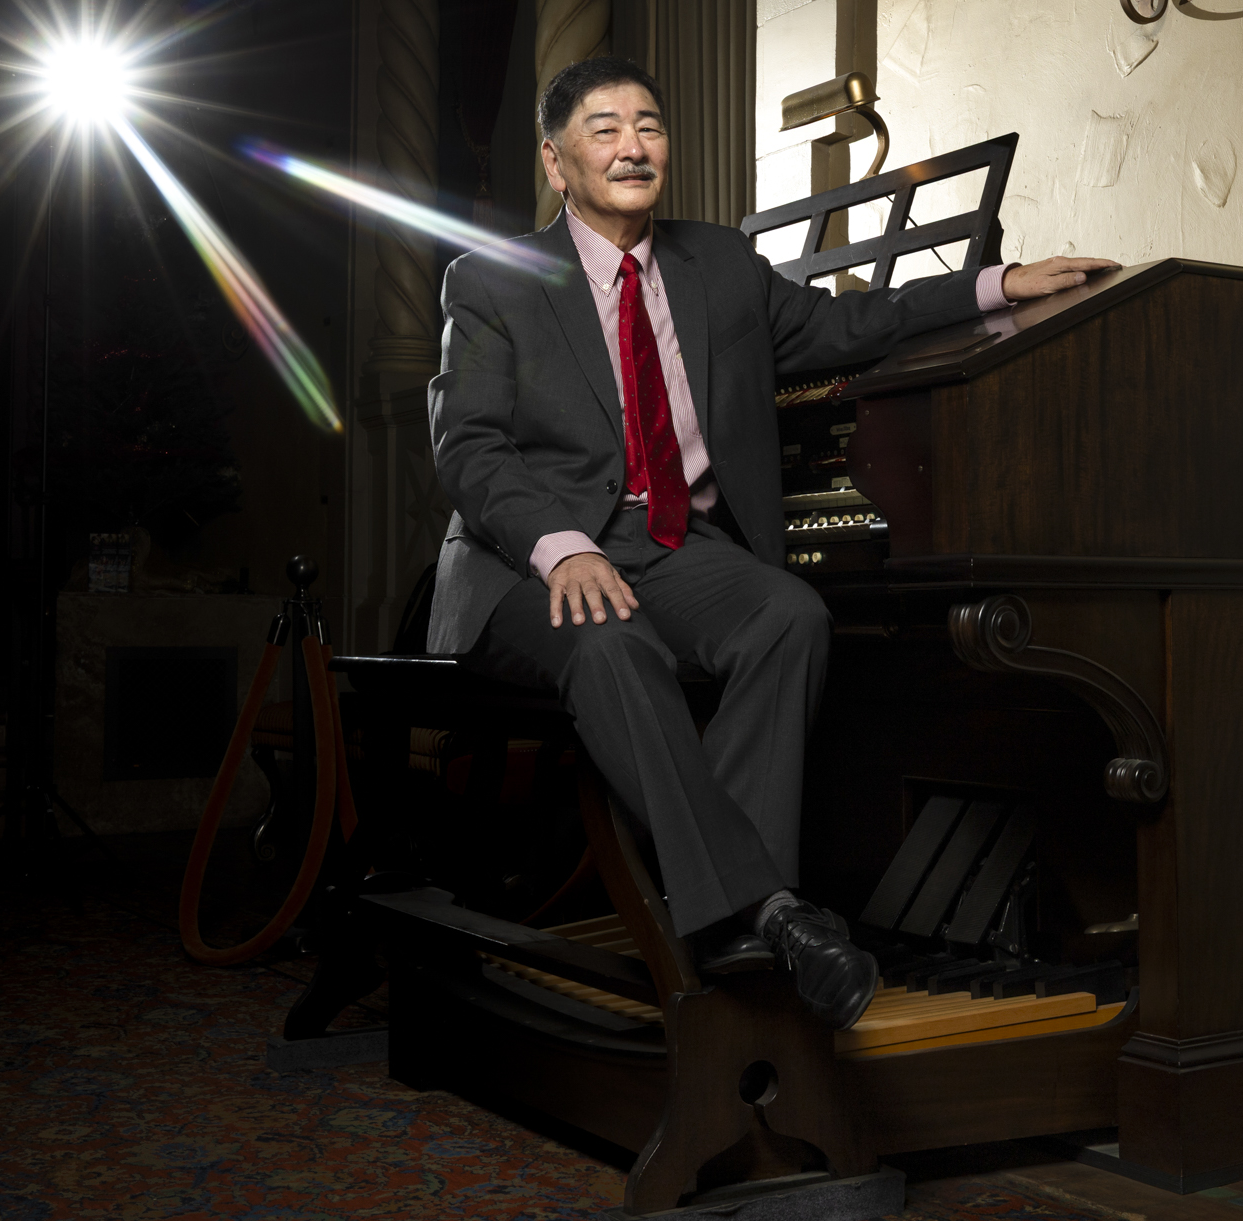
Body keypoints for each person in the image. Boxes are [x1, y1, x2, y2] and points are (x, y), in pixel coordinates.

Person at [426, 55, 1115, 1029]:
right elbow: (468, 443)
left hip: (672, 544)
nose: (632, 146)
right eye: (604, 128)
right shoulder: (491, 279)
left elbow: (849, 322)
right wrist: (560, 545)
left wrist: (997, 283)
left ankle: (733, 919)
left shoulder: (720, 265)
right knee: (612, 645)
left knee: (788, 614)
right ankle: (768, 911)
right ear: (555, 160)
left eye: (649, 125)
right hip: (527, 559)